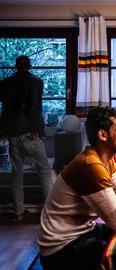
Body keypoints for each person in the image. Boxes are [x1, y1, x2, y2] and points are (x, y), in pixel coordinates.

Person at [37, 106, 116, 269]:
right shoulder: (91, 165)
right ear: (102, 135)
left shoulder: (106, 159)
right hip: (60, 249)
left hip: (82, 232)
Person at [0, 55, 52, 222]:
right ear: (29, 66)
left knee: (17, 173)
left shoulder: (5, 82)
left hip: (12, 133)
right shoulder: (35, 81)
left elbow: (6, 108)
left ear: (16, 66)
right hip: (29, 133)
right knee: (44, 169)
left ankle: (19, 212)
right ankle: (51, 213)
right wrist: (38, 129)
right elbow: (35, 107)